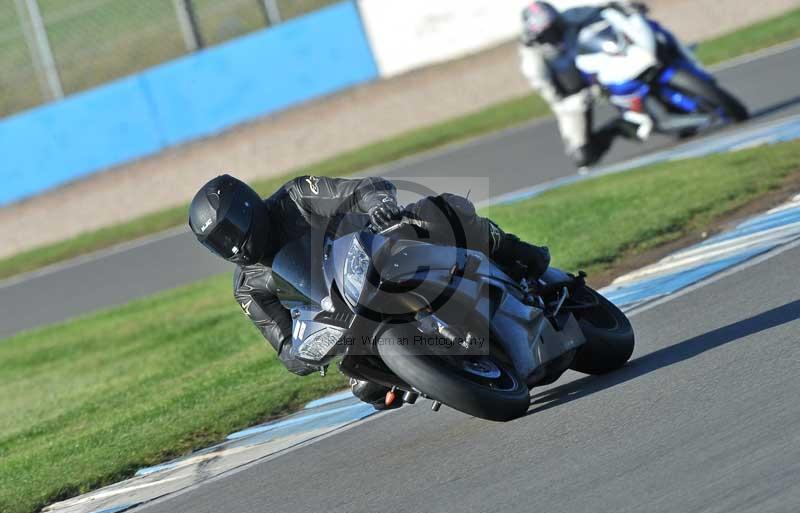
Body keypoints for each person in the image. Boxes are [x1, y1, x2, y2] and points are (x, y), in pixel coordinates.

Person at [188, 174, 551, 409]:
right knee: (366, 388)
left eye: (231, 230)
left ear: (248, 208)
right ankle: (436, 376)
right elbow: (284, 347)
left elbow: (361, 189)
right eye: (220, 242)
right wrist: (309, 351)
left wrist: (380, 207)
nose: (233, 246)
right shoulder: (248, 288)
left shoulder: (296, 196)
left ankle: (515, 251)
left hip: (383, 255)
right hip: (347, 322)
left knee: (439, 213)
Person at [518, 1, 644, 168]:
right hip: (574, 96)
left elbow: (604, 10)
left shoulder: (572, 16)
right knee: (582, 156)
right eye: (546, 33)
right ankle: (620, 128)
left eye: (555, 27)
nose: (553, 35)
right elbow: (551, 96)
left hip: (602, 72)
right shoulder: (532, 59)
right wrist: (567, 102)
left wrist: (625, 8)